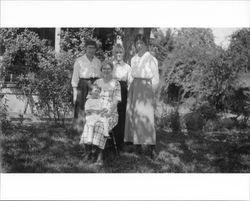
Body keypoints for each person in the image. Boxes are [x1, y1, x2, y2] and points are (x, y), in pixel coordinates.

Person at [124, 34, 160, 159]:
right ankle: (137, 146)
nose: (139, 45)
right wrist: (131, 88)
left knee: (148, 117)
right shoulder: (133, 59)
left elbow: (155, 78)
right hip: (135, 87)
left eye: (141, 43)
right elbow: (131, 76)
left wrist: (152, 93)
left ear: (146, 44)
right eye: (137, 43)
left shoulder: (151, 59)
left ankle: (150, 148)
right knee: (135, 116)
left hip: (146, 89)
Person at [81, 60, 121, 165]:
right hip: (96, 111)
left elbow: (116, 101)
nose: (106, 70)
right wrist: (91, 110)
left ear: (112, 70)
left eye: (108, 69)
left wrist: (108, 112)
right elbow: (89, 96)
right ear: (101, 70)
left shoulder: (116, 83)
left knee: (100, 126)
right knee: (88, 124)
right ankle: (88, 153)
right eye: (104, 68)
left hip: (110, 113)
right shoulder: (97, 82)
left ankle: (99, 157)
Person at [71, 40, 101, 132]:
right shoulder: (79, 61)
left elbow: (100, 76)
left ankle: (92, 132)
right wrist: (75, 93)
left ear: (96, 49)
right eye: (89, 48)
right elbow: (75, 77)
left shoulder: (98, 61)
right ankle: (80, 132)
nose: (91, 50)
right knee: (82, 108)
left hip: (94, 86)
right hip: (83, 85)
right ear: (85, 48)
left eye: (93, 48)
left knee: (93, 108)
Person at [112, 44, 132, 152]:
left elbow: (130, 83)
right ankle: (111, 143)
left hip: (123, 91)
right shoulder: (110, 65)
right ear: (114, 53)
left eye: (120, 52)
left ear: (123, 53)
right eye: (116, 52)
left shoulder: (128, 67)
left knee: (122, 116)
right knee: (113, 114)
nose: (118, 54)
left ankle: (120, 143)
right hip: (113, 91)